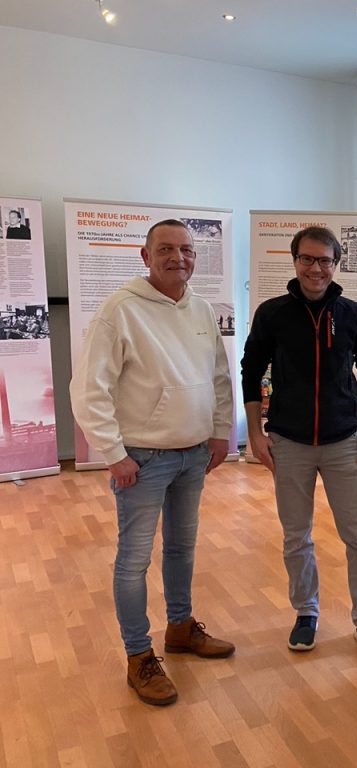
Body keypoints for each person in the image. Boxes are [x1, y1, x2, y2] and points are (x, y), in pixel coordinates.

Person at [69, 219, 235, 707]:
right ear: (146, 256)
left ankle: (180, 628)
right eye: (165, 249)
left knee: (182, 548)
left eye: (186, 249)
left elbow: (218, 376)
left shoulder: (201, 309)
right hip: (142, 460)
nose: (177, 257)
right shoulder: (120, 311)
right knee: (134, 561)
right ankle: (138, 655)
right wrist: (113, 453)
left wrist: (220, 430)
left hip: (194, 453)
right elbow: (89, 389)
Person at [241, 225, 357, 660]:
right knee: (296, 536)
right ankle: (305, 613)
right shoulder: (272, 314)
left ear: (335, 264)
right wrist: (255, 433)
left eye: (325, 260)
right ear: (295, 261)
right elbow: (251, 371)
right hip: (289, 442)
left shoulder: (353, 314)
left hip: (345, 442)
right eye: (307, 259)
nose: (315, 268)